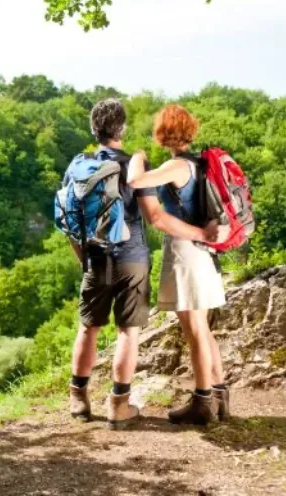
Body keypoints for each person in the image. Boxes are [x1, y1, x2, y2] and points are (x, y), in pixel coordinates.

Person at [68, 99, 219, 430]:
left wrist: (85, 257)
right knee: (128, 330)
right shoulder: (137, 165)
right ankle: (119, 405)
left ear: (94, 130)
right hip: (133, 257)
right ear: (122, 130)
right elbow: (153, 215)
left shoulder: (79, 166)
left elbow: (65, 216)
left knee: (87, 326)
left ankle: (78, 398)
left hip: (95, 255)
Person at [127, 104, 229, 426]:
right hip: (203, 252)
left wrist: (136, 158)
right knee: (202, 327)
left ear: (164, 132)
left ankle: (202, 401)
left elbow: (135, 181)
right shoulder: (199, 164)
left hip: (186, 252)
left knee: (194, 329)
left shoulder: (176, 166)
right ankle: (219, 395)